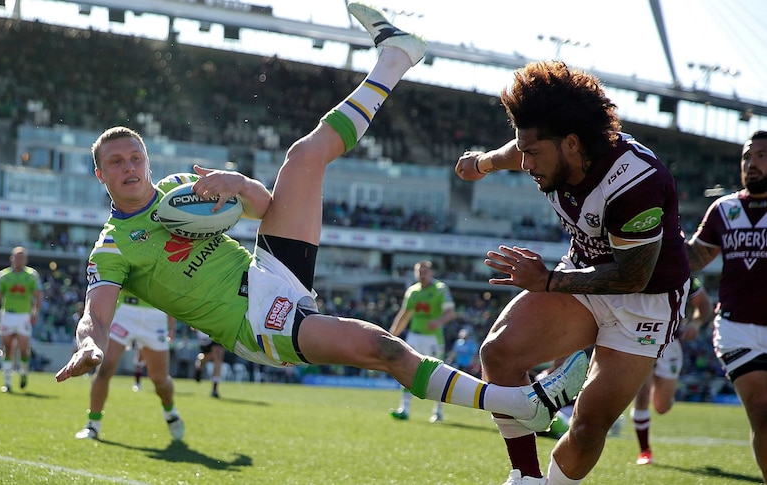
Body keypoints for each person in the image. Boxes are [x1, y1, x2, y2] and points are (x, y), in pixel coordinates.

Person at [55, 3, 588, 440]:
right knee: (384, 349)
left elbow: (265, 207)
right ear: (100, 174)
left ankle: (395, 57)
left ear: (147, 161)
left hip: (269, 273)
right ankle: (521, 405)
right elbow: (94, 312)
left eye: (135, 157)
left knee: (304, 156)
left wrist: (238, 185)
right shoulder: (112, 247)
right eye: (117, 163)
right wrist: (88, 342)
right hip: (255, 324)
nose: (130, 167)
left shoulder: (178, 188)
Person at [454, 60, 690, 484]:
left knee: (586, 428)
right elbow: (515, 150)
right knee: (499, 354)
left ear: (572, 144)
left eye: (533, 153)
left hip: (644, 301)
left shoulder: (635, 181)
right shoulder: (548, 149)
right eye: (522, 150)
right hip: (584, 276)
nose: (526, 164)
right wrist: (482, 163)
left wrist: (546, 281)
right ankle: (526, 477)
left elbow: (631, 276)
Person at [686, 130, 767, 483]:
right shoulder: (724, 209)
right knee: (763, 415)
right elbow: (694, 259)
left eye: (762, 155)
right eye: (747, 157)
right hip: (737, 329)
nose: (752, 163)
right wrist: (661, 240)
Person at [76, 289, 181, 440]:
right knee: (105, 369)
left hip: (156, 314)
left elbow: (168, 285)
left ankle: (170, 412)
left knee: (160, 379)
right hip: (125, 311)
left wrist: (172, 321)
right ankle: (93, 424)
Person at [631, 275, 713, 465]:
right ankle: (644, 451)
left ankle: (663, 390)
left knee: (662, 406)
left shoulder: (683, 274)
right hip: (640, 338)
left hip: (671, 341)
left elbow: (704, 305)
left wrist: (695, 323)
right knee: (642, 392)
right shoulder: (637, 265)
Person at [388, 260, 456, 423]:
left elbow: (450, 312)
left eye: (425, 272)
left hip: (433, 337)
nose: (422, 275)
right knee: (405, 370)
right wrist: (391, 335)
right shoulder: (413, 291)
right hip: (414, 336)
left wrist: (438, 322)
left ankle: (438, 411)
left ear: (431, 273)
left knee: (437, 373)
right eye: (419, 271)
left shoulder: (440, 289)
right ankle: (404, 409)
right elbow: (405, 315)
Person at [0, 246, 44, 393]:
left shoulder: (31, 275)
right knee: (7, 348)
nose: (19, 260)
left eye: (22, 257)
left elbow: (38, 295)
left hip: (23, 316)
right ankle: (7, 382)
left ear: (25, 259)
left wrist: (35, 312)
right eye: (16, 257)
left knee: (24, 350)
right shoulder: (4, 276)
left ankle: (24, 372)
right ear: (12, 258)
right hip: (7, 315)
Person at [193, 329, 225, 398]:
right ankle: (199, 363)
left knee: (218, 359)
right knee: (208, 356)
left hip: (218, 329)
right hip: (207, 330)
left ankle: (215, 388)